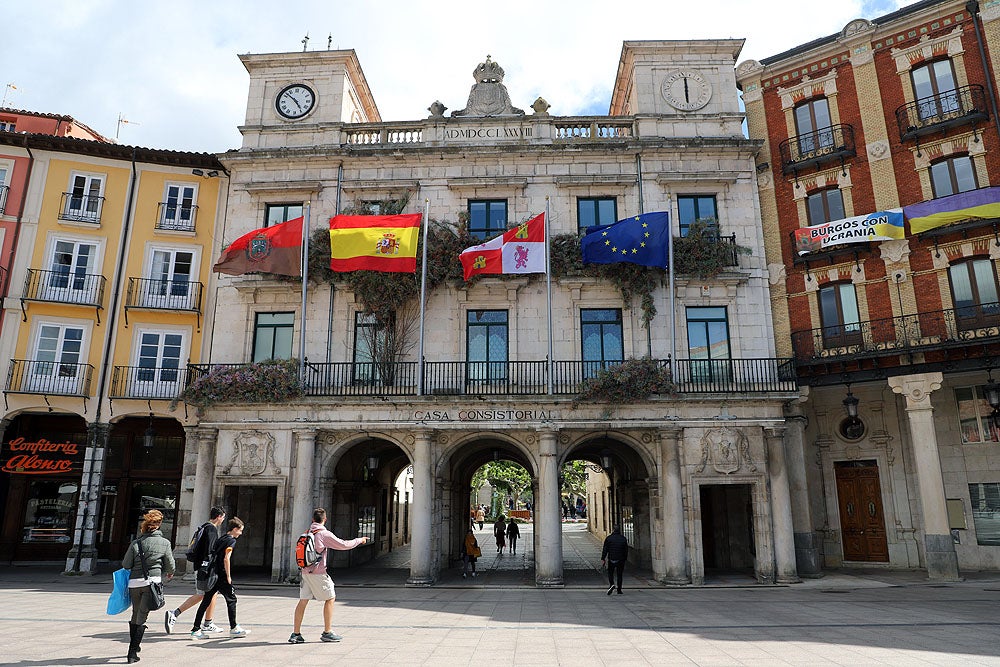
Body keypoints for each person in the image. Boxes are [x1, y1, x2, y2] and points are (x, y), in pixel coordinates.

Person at [289, 507, 369, 644]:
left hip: (304, 572)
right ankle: (327, 632)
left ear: (313, 519)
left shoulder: (307, 532)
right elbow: (343, 544)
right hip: (318, 573)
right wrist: (359, 540)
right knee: (330, 597)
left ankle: (296, 634)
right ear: (325, 519)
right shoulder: (323, 534)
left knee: (303, 601)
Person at [121, 509, 175, 663]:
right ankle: (132, 652)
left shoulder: (136, 542)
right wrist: (169, 573)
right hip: (152, 583)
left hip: (134, 583)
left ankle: (135, 646)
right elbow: (171, 564)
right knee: (142, 616)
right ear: (159, 525)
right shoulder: (165, 543)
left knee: (135, 613)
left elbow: (126, 564)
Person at [164, 506, 226, 635]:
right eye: (223, 517)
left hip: (201, 566)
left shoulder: (204, 527)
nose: (223, 520)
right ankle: (174, 613)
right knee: (202, 594)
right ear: (219, 516)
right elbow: (210, 551)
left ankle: (208, 623)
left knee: (211, 594)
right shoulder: (212, 530)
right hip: (206, 568)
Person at [191, 517, 249, 638]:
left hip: (213, 574)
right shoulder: (231, 541)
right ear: (234, 529)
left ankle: (196, 630)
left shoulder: (221, 538)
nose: (241, 533)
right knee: (232, 600)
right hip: (221, 576)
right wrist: (228, 576)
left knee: (206, 601)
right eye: (240, 530)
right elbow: (226, 558)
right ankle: (234, 627)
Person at [601, 526, 628, 595]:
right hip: (620, 559)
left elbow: (605, 550)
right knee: (619, 575)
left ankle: (612, 584)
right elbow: (626, 550)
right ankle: (619, 590)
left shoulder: (609, 538)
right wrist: (625, 559)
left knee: (610, 573)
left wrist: (603, 558)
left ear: (613, 530)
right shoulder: (623, 539)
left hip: (611, 559)